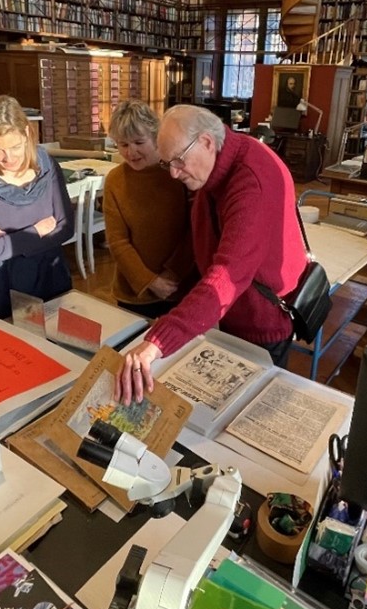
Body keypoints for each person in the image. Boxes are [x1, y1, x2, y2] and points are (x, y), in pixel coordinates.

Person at [116, 105, 308, 402]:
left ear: (206, 141)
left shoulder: (249, 181)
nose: (175, 173)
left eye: (179, 161)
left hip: (261, 320)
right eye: (168, 163)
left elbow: (227, 277)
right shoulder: (219, 159)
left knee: (250, 410)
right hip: (232, 312)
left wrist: (158, 341)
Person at [0, 96, 74, 324]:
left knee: (58, 348)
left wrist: (11, 240)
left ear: (28, 134)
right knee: (6, 352)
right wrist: (38, 230)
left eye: (15, 147)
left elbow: (66, 228)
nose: (7, 158)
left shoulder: (46, 164)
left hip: (49, 274)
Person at [103, 100, 194, 319]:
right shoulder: (115, 180)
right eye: (123, 144)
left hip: (181, 287)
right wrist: (149, 281)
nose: (130, 152)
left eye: (138, 142)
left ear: (155, 137)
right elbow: (117, 241)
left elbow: (193, 231)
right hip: (134, 292)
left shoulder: (177, 174)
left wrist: (172, 274)